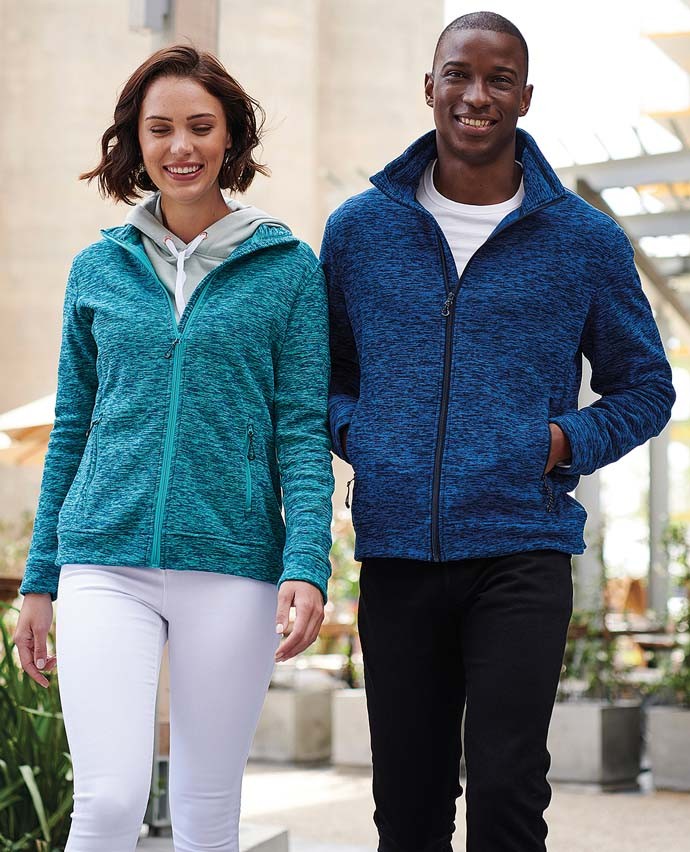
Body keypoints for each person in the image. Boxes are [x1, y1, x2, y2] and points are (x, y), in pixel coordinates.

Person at [322, 11, 675, 852]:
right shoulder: (359, 231)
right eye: (459, 74)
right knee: (407, 805)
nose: (476, 95)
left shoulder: (585, 241)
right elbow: (322, 376)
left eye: (498, 79)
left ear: (525, 96)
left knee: (508, 792)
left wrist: (558, 444)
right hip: (398, 551)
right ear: (430, 87)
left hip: (522, 549)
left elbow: (646, 387)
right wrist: (363, 433)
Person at [14, 45, 333, 852]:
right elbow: (73, 429)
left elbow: (300, 430)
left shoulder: (288, 269)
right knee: (109, 803)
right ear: (136, 139)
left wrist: (307, 563)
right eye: (160, 128)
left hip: (232, 562)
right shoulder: (97, 268)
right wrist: (40, 580)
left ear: (230, 138)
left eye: (200, 126)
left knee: (205, 811)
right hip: (103, 558)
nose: (180, 146)